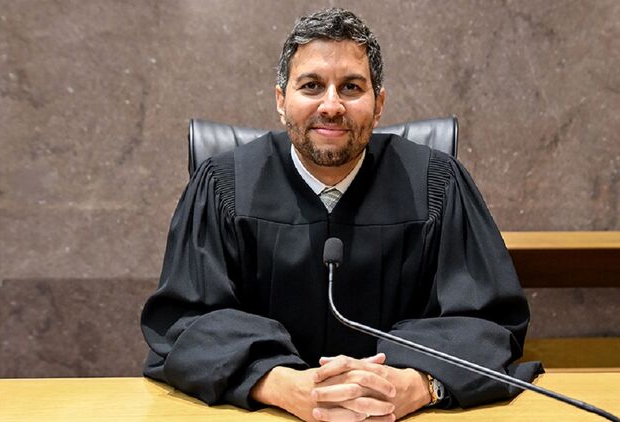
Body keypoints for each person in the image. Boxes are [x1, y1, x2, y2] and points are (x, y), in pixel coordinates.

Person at [141, 8, 541, 422]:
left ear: (379, 104)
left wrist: (419, 384)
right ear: (281, 100)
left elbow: (489, 321)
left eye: (351, 87)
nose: (331, 106)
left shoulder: (438, 186)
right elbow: (184, 322)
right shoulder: (222, 187)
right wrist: (278, 384)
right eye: (311, 86)